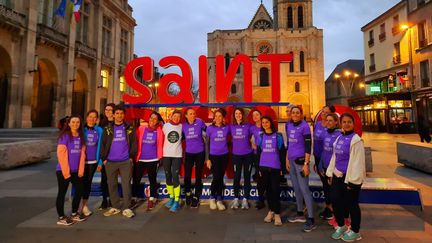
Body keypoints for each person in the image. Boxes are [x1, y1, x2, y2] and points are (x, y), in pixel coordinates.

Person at [327, 113, 365, 242]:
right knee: (336, 201)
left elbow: (358, 162)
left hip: (350, 179)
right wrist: (331, 173)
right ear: (340, 124)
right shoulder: (339, 138)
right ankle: (342, 226)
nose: (347, 124)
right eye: (344, 122)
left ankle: (355, 231)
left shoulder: (356, 140)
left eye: (349, 122)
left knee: (352, 205)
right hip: (337, 176)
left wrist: (353, 182)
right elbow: (334, 157)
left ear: (353, 124)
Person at [100, 105, 137, 218]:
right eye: (117, 113)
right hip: (110, 161)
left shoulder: (129, 127)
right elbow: (103, 144)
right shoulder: (108, 128)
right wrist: (104, 159)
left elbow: (134, 143)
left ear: (124, 115)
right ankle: (115, 206)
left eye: (121, 113)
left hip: (125, 161)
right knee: (112, 184)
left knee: (126, 184)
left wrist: (131, 157)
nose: (119, 115)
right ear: (114, 115)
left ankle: (126, 207)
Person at [286, 106, 316, 232]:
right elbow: (289, 143)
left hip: (300, 161)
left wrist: (306, 163)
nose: (295, 114)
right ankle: (300, 214)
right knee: (296, 188)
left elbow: (308, 146)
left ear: (301, 114)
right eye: (293, 112)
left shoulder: (305, 126)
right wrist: (287, 158)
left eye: (297, 112)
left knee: (305, 190)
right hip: (292, 161)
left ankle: (311, 219)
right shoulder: (288, 125)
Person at [55, 115, 86, 226]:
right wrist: (66, 172)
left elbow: (82, 155)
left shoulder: (81, 136)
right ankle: (61, 217)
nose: (75, 124)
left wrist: (80, 170)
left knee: (79, 190)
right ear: (69, 123)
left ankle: (74, 213)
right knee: (62, 193)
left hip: (76, 171)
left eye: (77, 122)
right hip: (63, 171)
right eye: (73, 122)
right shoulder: (65, 136)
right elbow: (61, 155)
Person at [132, 112, 164, 211]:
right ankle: (134, 197)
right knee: (136, 179)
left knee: (152, 179)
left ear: (158, 121)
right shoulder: (141, 129)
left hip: (153, 159)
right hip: (141, 158)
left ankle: (152, 198)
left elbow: (160, 144)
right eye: (151, 118)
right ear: (148, 119)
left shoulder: (159, 131)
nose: (152, 120)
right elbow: (135, 141)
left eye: (155, 119)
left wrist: (159, 158)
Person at [257, 116, 285, 226]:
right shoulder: (260, 136)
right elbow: (258, 153)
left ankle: (277, 213)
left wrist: (282, 168)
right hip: (263, 167)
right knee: (268, 191)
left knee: (275, 190)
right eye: (263, 122)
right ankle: (271, 211)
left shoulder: (278, 136)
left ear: (270, 123)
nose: (265, 124)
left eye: (266, 122)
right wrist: (258, 168)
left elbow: (282, 153)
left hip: (275, 167)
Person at [317, 113, 342, 224]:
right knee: (326, 189)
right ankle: (329, 209)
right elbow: (324, 150)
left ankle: (338, 216)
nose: (328, 122)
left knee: (334, 192)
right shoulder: (324, 133)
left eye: (331, 120)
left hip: (334, 168)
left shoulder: (339, 135)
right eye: (327, 120)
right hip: (325, 166)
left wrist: (334, 169)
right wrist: (320, 164)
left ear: (336, 122)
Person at [313, 105, 335, 220]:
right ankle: (329, 206)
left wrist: (321, 162)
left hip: (326, 159)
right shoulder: (317, 125)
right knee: (324, 183)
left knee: (328, 183)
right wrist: (315, 162)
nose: (324, 114)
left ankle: (330, 208)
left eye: (327, 112)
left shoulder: (331, 127)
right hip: (317, 158)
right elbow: (315, 143)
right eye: (323, 112)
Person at [182, 108, 207, 208]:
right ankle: (188, 194)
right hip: (189, 153)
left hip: (200, 152)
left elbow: (208, 131)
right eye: (191, 114)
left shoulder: (200, 122)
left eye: (194, 114)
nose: (193, 115)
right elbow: (181, 137)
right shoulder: (183, 126)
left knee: (198, 175)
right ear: (186, 116)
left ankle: (196, 196)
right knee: (187, 175)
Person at [206, 108, 230, 211]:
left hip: (224, 155)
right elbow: (206, 144)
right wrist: (207, 159)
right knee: (216, 177)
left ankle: (219, 199)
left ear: (223, 117)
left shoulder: (227, 128)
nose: (217, 118)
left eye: (220, 116)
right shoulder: (210, 128)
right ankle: (212, 197)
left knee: (220, 177)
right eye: (216, 116)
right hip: (213, 156)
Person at [230, 107, 253, 210]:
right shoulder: (231, 126)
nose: (238, 115)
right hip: (236, 155)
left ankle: (245, 199)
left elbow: (256, 134)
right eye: (236, 113)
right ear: (234, 115)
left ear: (243, 115)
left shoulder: (248, 126)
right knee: (237, 176)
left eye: (240, 113)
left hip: (248, 155)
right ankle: (235, 198)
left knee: (247, 177)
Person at [81, 110, 103, 217]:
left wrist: (100, 162)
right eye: (90, 116)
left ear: (97, 119)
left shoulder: (99, 130)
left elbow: (102, 146)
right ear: (86, 118)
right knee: (79, 182)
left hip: (93, 161)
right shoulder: (81, 130)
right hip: (81, 161)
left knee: (88, 183)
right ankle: (77, 205)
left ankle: (84, 205)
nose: (92, 119)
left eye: (94, 117)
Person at [162, 110, 183, 213]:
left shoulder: (182, 126)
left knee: (175, 177)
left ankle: (176, 200)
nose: (176, 118)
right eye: (175, 116)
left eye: (179, 117)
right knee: (168, 176)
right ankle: (171, 197)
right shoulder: (165, 126)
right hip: (166, 155)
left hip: (177, 156)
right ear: (171, 116)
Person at [97, 103, 116, 210]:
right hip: (104, 157)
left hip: (115, 156)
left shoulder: (117, 123)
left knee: (112, 180)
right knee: (104, 180)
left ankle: (112, 200)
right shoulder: (102, 123)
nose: (108, 111)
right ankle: (104, 200)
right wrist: (101, 159)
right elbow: (101, 142)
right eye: (106, 109)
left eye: (110, 110)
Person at [250, 109, 265, 210]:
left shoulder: (265, 125)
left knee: (266, 176)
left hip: (268, 155)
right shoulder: (252, 128)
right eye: (253, 115)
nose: (255, 116)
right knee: (259, 176)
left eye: (257, 114)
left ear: (260, 115)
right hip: (257, 155)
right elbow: (249, 138)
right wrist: (252, 144)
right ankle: (261, 199)